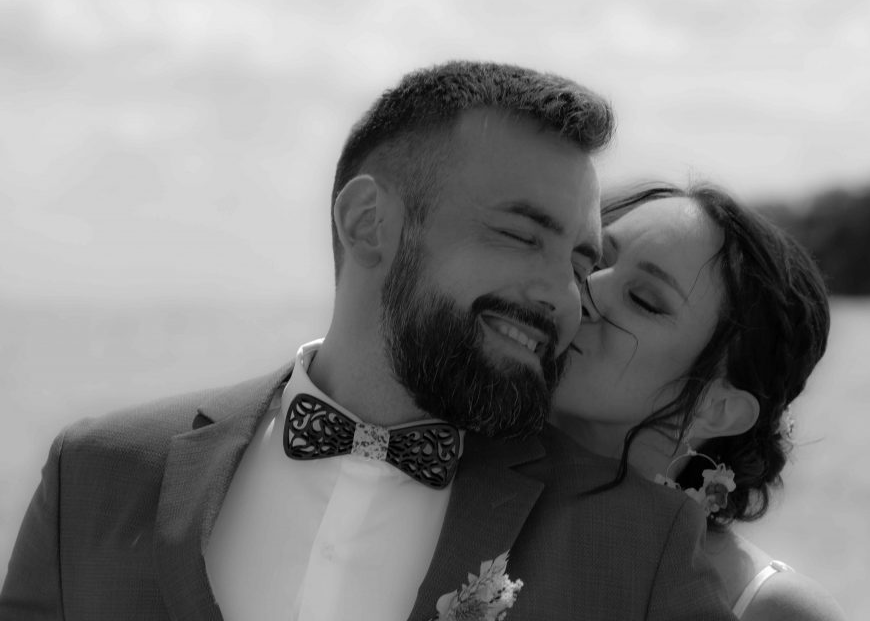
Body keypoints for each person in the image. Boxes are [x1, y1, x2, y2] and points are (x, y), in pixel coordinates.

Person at [0, 63, 735, 620]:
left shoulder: (638, 546)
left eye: (581, 262)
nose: (563, 295)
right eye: (519, 235)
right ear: (368, 224)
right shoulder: (96, 476)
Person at [551, 182, 847, 620]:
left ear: (719, 407)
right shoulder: (443, 484)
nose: (587, 291)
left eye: (644, 299)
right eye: (590, 260)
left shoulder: (767, 609)